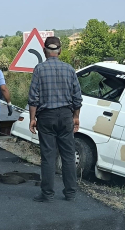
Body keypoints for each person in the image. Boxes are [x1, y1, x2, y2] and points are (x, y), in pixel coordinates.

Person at [28, 36, 83, 202]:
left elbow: (33, 97)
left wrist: (32, 118)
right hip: (66, 116)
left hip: (46, 117)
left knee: (48, 156)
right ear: (60, 51)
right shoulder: (69, 69)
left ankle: (47, 194)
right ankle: (70, 193)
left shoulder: (39, 69)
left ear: (45, 51)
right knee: (68, 156)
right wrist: (76, 117)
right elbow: (77, 98)